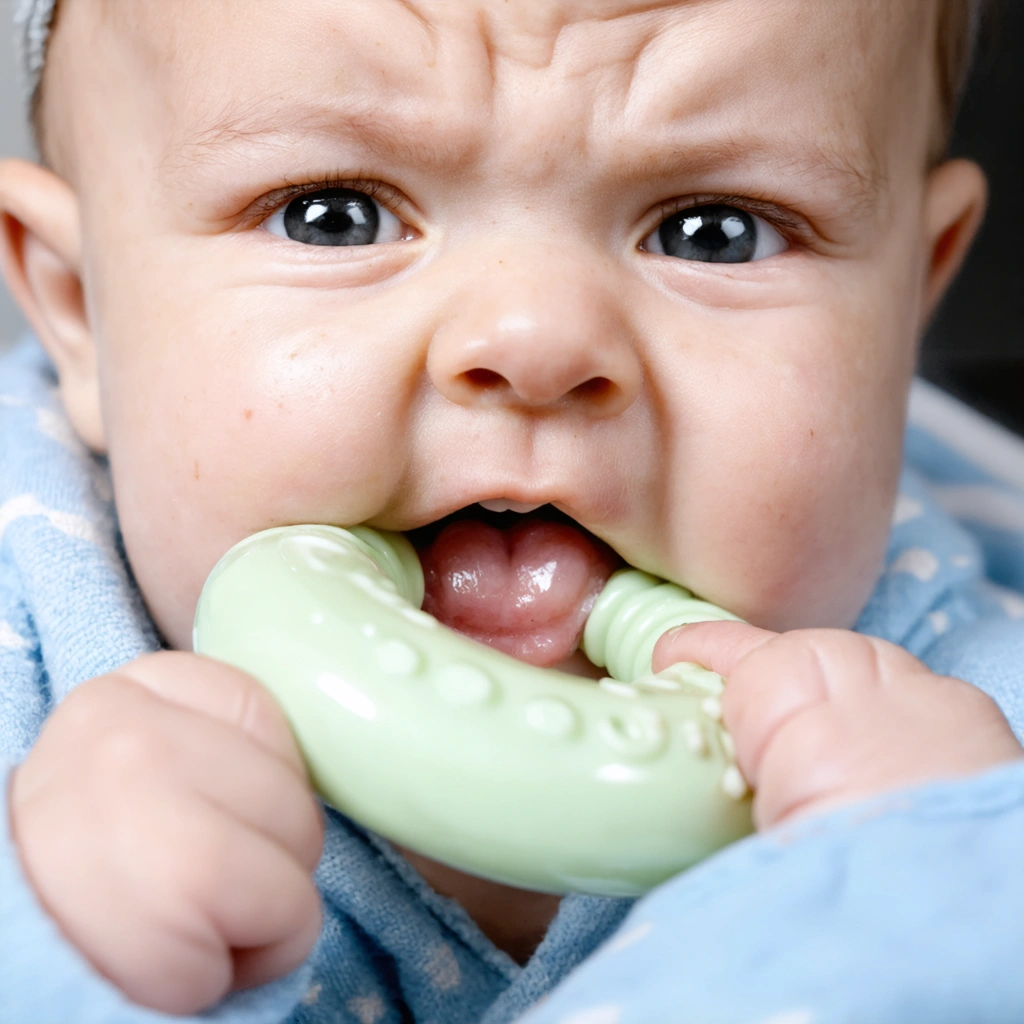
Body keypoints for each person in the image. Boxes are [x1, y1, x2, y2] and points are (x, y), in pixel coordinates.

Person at [1, 1, 1023, 1021]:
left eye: (713, 233)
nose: (537, 340)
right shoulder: (31, 714)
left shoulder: (965, 767)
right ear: (79, 299)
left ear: (910, 294)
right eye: (333, 215)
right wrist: (55, 961)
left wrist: (921, 920)